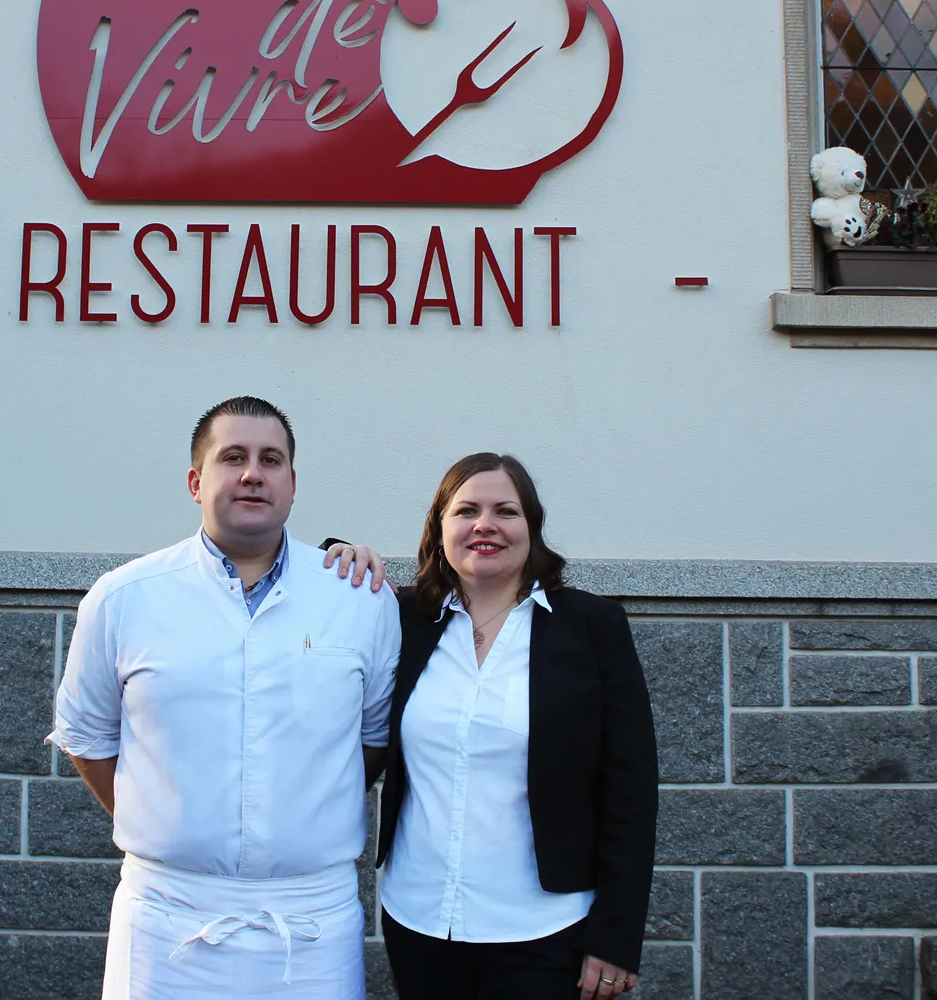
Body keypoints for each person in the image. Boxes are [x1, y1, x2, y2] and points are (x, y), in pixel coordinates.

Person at [50, 396, 400, 999]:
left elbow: (372, 741)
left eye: (270, 459)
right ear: (195, 480)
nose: (252, 473)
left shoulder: (360, 599)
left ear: (292, 484)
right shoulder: (124, 598)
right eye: (232, 457)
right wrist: (169, 815)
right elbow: (86, 737)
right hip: (166, 923)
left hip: (310, 926)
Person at [369, 453, 658, 1000]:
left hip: (543, 929)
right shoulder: (402, 619)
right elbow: (321, 592)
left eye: (506, 510)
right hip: (419, 917)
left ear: (532, 528)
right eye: (466, 511)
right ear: (439, 528)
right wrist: (343, 550)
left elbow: (631, 792)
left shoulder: (591, 628)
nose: (485, 525)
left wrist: (616, 937)